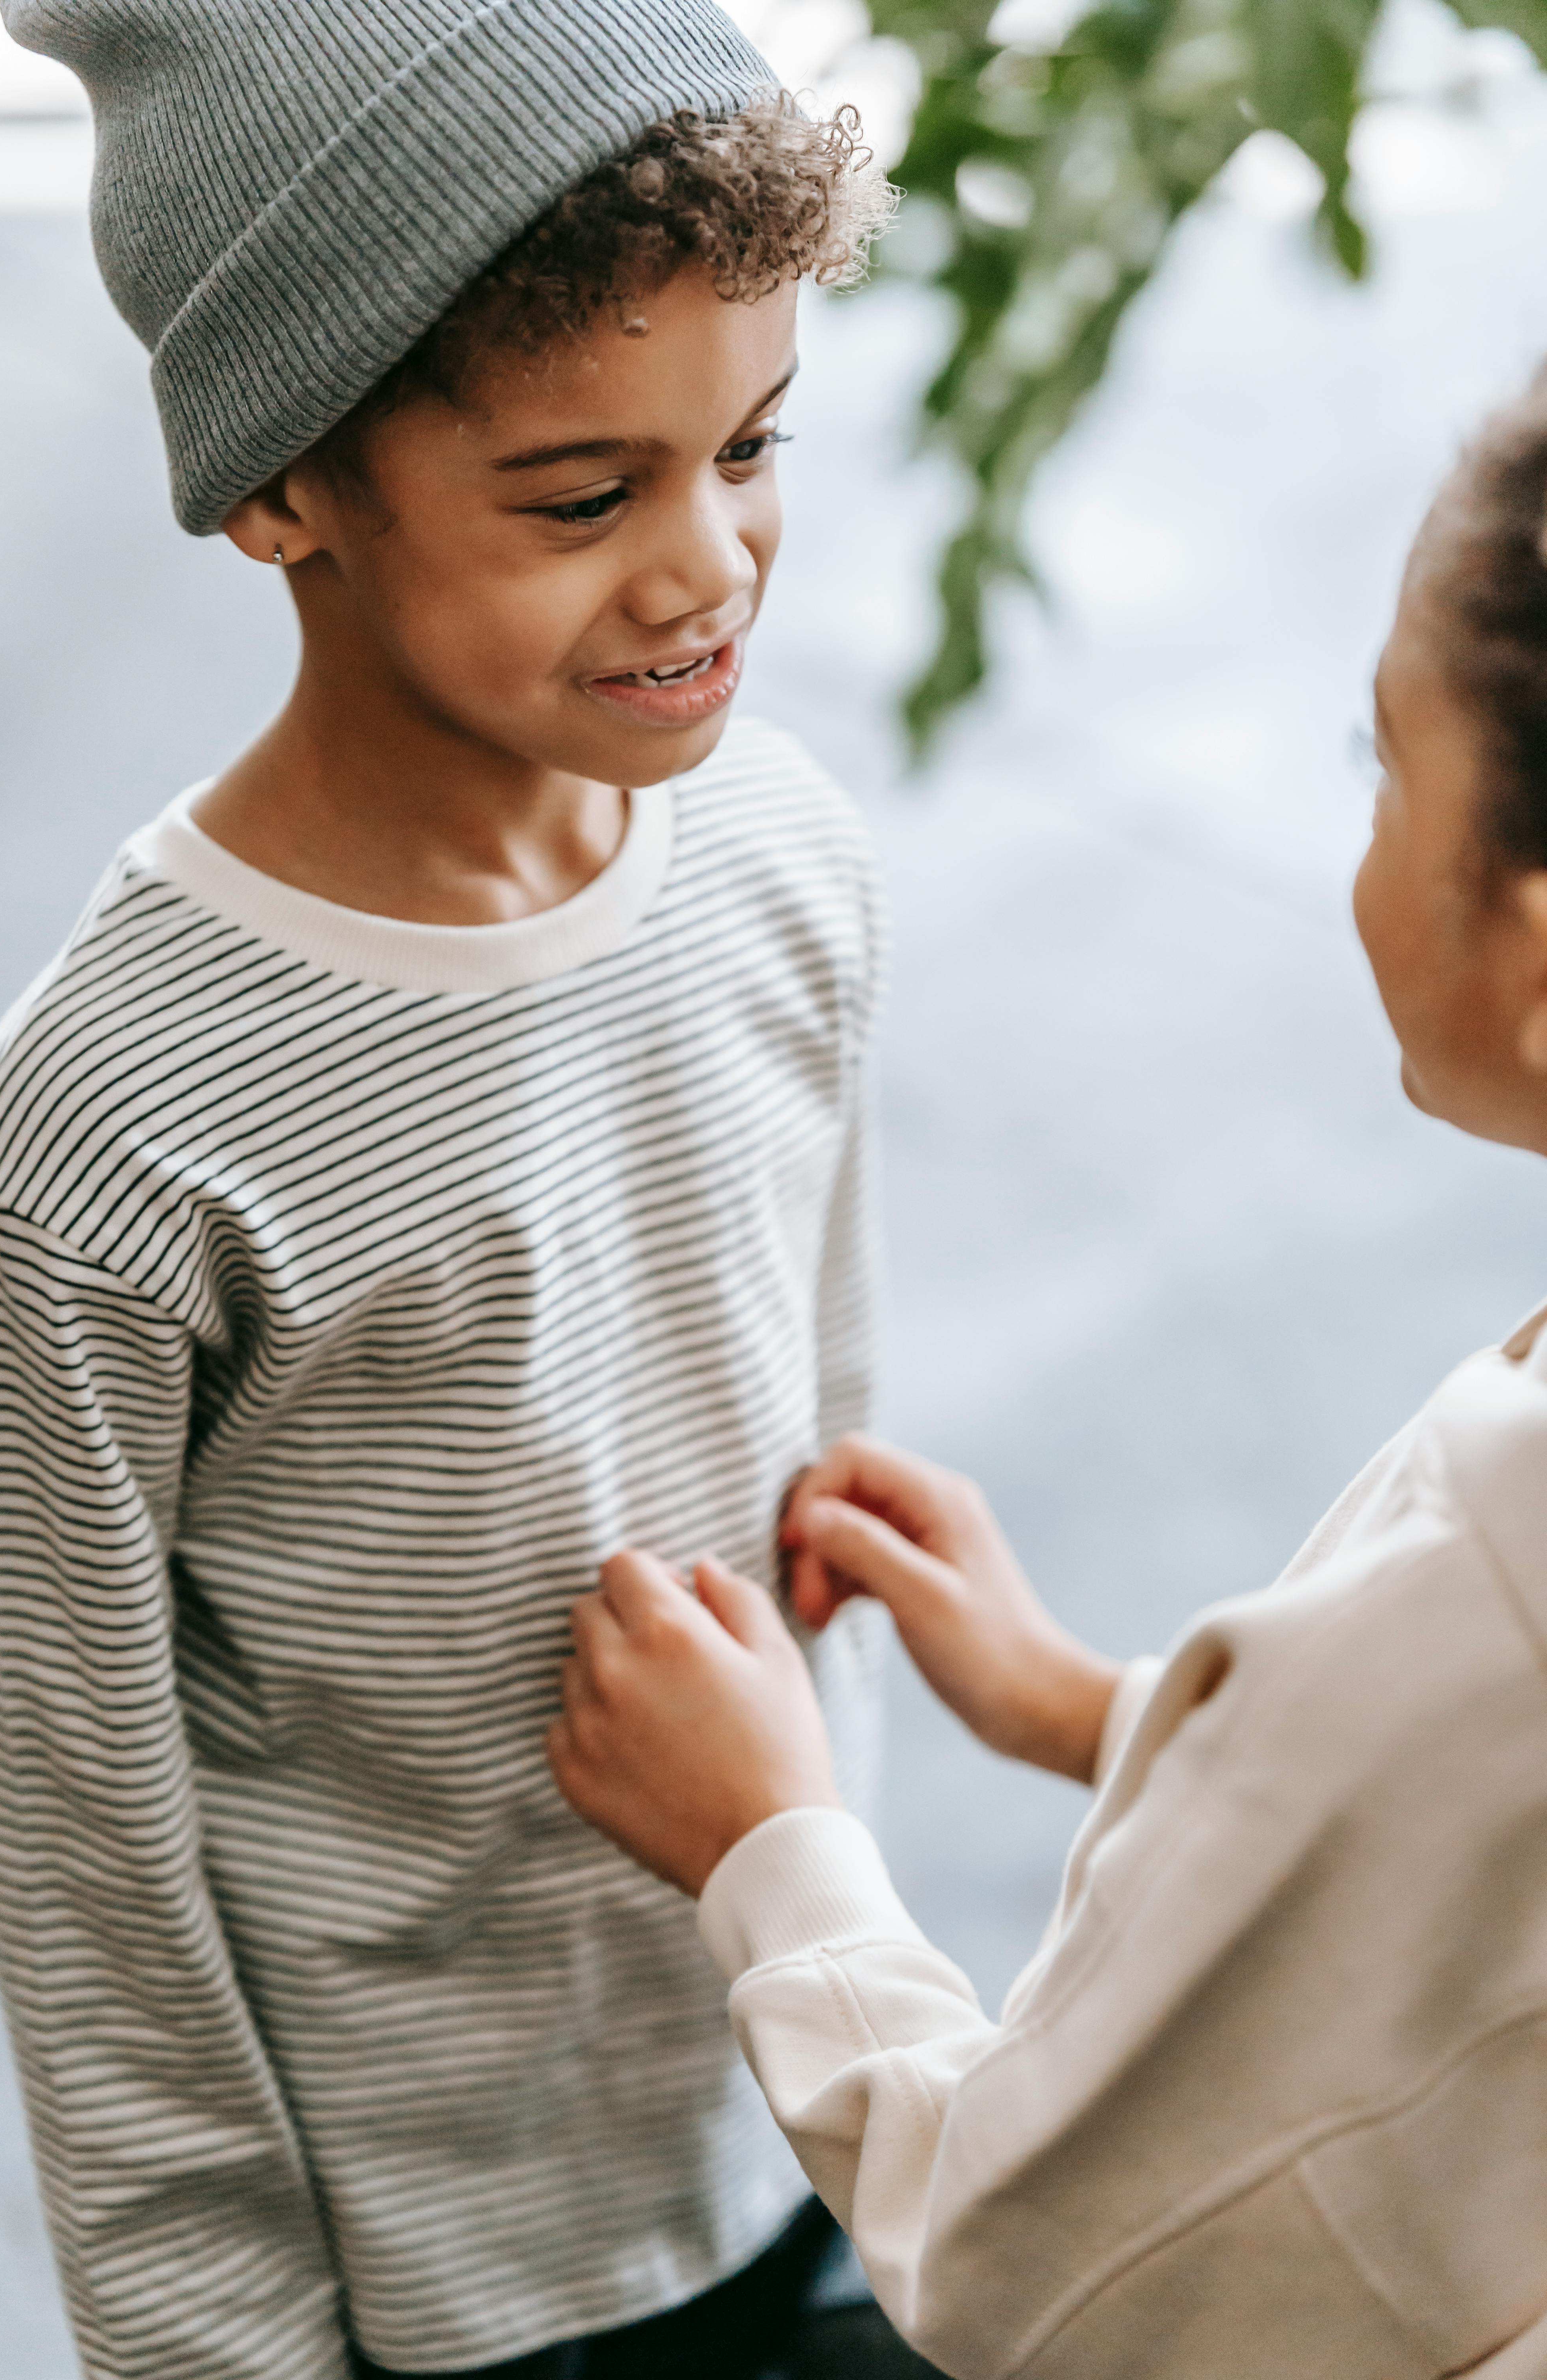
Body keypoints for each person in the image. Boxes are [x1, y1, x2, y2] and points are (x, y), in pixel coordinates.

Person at [0, 6, 923, 2377]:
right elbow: (87, 1872)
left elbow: (821, 1429)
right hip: (442, 2298)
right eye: (584, 499)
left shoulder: (785, 854)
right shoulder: (91, 1146)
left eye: (756, 443)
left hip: (840, 2101)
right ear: (288, 485)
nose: (710, 566)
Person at [547, 375, 1547, 2380]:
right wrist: (1117, 1710)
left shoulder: (1494, 1551)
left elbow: (1021, 2265)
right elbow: (1473, 1830)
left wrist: (774, 1845)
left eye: (1379, 764)